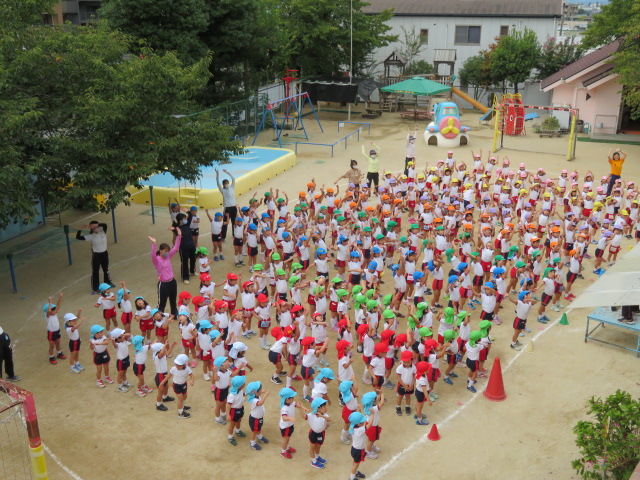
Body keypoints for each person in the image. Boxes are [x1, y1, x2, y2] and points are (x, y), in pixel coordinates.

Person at [149, 227, 181, 317]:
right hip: (163, 284)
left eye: (168, 251)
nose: (167, 252)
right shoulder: (157, 260)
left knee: (173, 299)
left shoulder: (168, 256)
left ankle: (174, 313)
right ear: (160, 251)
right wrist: (154, 244)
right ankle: (158, 316)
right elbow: (152, 256)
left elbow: (176, 247)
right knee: (162, 302)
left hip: (172, 281)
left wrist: (179, 235)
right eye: (165, 251)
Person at [76, 221, 112, 294]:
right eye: (95, 228)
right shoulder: (90, 236)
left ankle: (107, 282)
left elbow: (105, 224)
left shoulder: (103, 232)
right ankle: (96, 287)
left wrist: (96, 224)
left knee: (106, 268)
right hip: (96, 255)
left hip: (105, 253)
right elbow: (78, 237)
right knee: (95, 271)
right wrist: (80, 229)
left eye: (97, 227)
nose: (97, 229)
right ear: (92, 229)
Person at [174, 213, 196, 284]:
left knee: (193, 259)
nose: (186, 219)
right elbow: (175, 230)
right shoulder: (177, 228)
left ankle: (193, 271)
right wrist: (174, 228)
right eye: (184, 218)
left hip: (191, 246)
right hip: (183, 248)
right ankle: (185, 277)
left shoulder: (187, 224)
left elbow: (190, 217)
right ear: (180, 220)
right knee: (184, 262)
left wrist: (189, 212)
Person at [216, 168, 238, 240]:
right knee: (225, 222)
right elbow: (217, 182)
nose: (227, 184)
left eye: (227, 183)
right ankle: (223, 236)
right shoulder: (223, 190)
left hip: (234, 207)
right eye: (225, 183)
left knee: (234, 221)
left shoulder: (232, 187)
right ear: (224, 185)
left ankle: (234, 234)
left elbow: (233, 178)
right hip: (227, 208)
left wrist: (227, 172)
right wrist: (217, 174)